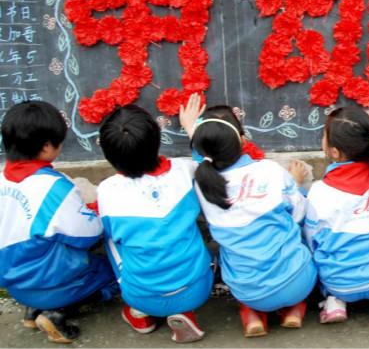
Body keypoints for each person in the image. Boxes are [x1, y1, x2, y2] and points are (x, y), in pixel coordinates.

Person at [179, 95, 316, 337]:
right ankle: (295, 308)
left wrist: (192, 130)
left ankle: (251, 313)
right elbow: (298, 214)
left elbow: (206, 159)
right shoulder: (270, 170)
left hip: (248, 291)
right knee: (300, 234)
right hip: (297, 282)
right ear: (243, 140)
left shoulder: (202, 184)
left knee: (232, 257)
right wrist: (295, 184)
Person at [0, 101, 117, 343]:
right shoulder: (54, 187)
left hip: (14, 285)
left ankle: (32, 310)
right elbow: (90, 233)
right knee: (115, 272)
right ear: (46, 147)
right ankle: (58, 312)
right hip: (49, 282)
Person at [97, 105, 212, 343]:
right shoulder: (184, 171)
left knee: (110, 238)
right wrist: (191, 127)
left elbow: (113, 235)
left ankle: (140, 314)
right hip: (197, 289)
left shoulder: (107, 190)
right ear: (157, 139)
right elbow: (210, 164)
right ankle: (183, 311)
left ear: (108, 154)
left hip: (141, 295)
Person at [303, 106, 369, 323]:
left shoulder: (319, 191)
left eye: (324, 135)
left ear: (334, 152)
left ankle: (334, 301)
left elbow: (312, 241)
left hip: (338, 282)